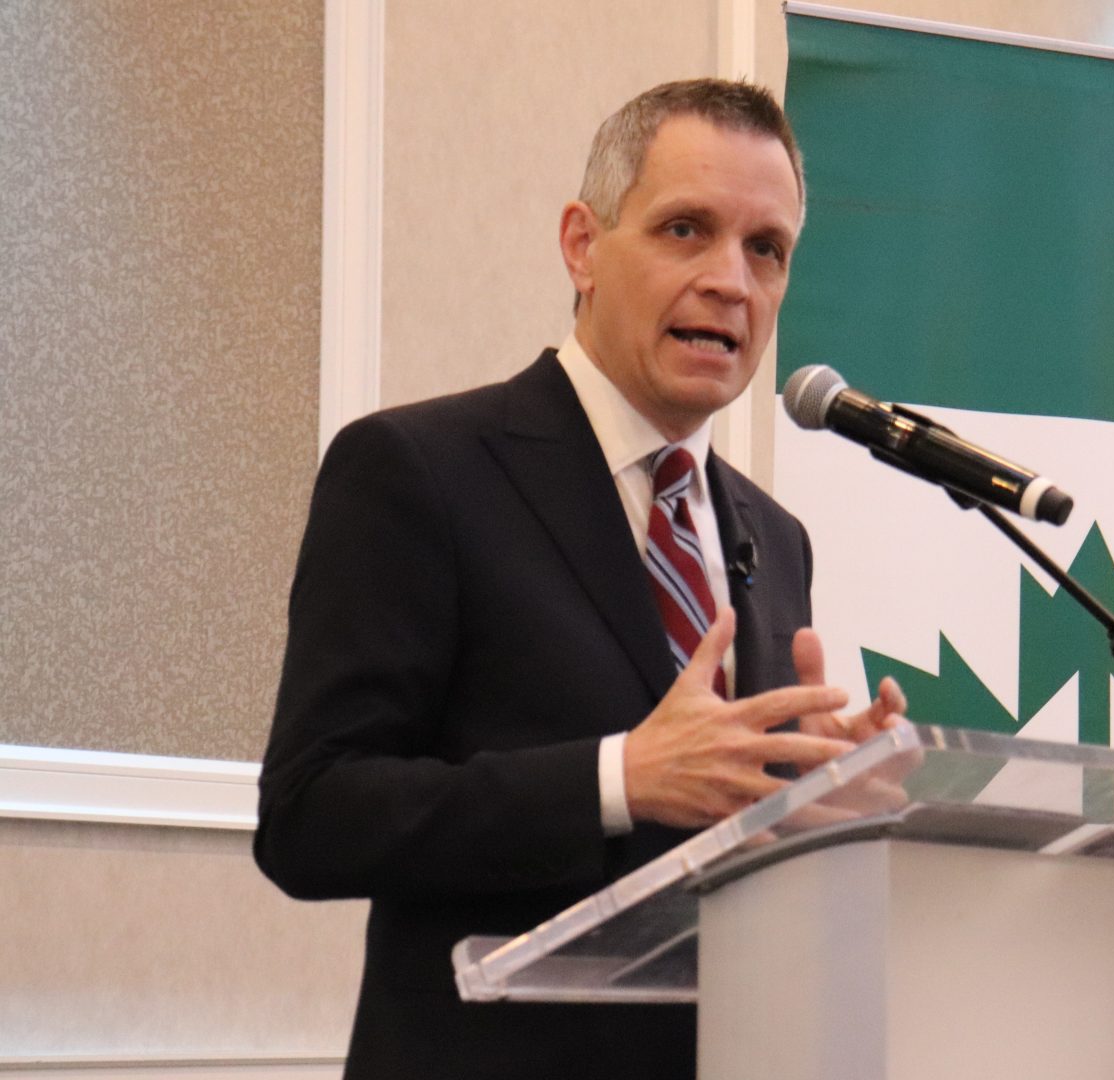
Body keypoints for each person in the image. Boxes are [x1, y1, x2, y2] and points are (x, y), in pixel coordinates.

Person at [255, 79, 905, 1080]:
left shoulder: (776, 540)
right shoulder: (420, 471)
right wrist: (617, 779)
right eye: (686, 230)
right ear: (582, 245)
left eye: (765, 249)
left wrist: (810, 807)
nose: (731, 281)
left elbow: (719, 843)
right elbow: (312, 818)